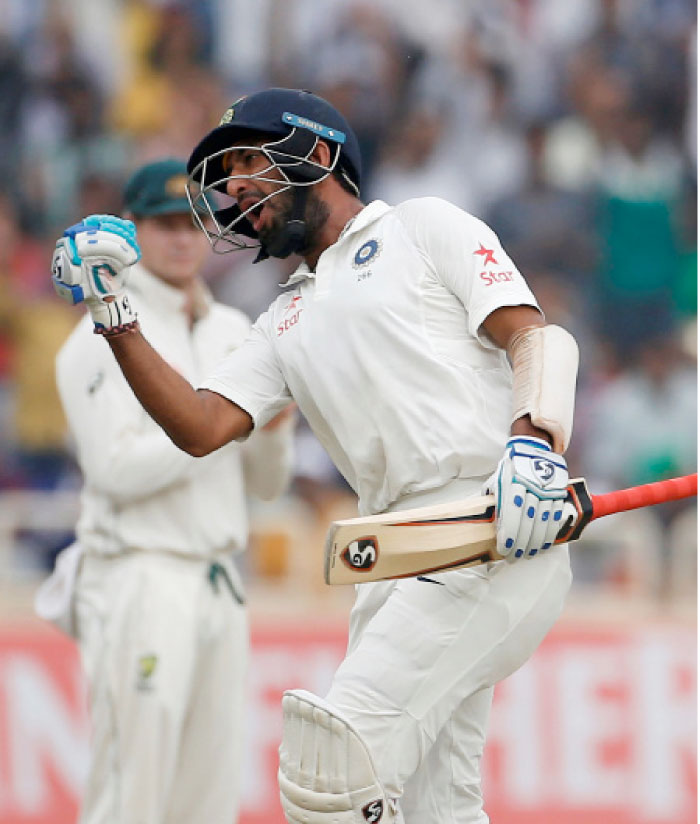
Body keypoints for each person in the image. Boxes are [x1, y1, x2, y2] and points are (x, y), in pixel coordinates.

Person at [50, 90, 579, 824]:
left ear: (319, 154)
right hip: (394, 554)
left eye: (246, 163)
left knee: (332, 775)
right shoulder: (282, 317)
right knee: (437, 808)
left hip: (491, 523)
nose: (233, 190)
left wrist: (534, 449)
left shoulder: (422, 227)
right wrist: (116, 318)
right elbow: (202, 426)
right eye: (227, 174)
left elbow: (536, 337)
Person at [42, 157, 295, 824]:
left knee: (207, 801)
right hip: (140, 576)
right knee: (132, 793)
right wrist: (214, 425)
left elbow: (267, 487)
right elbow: (115, 474)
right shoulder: (97, 336)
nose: (181, 239)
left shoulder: (234, 332)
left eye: (192, 223)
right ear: (133, 231)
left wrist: (267, 432)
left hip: (219, 580)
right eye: (162, 224)